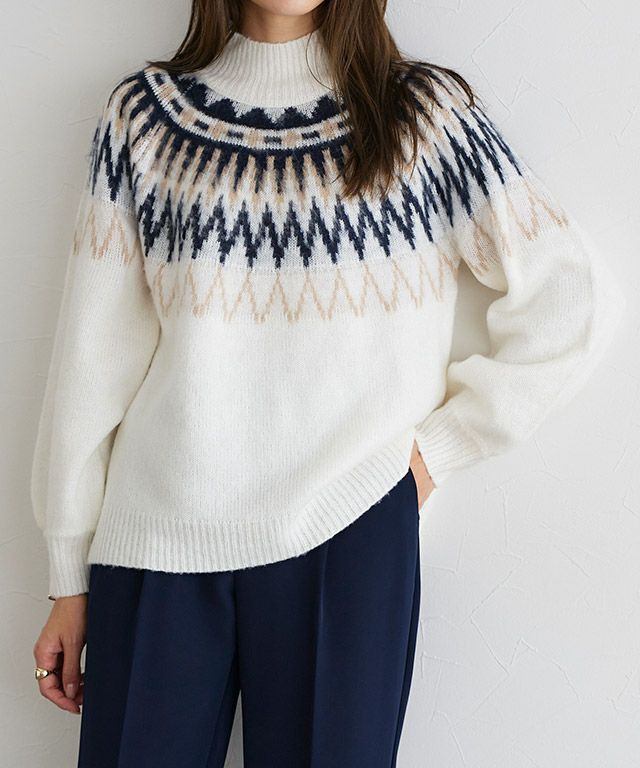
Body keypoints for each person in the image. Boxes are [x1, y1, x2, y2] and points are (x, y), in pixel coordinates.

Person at [30, 0, 626, 766]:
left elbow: (571, 299)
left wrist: (434, 455)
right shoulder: (144, 118)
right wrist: (68, 573)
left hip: (349, 532)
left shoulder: (422, 115)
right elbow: (91, 357)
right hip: (157, 540)